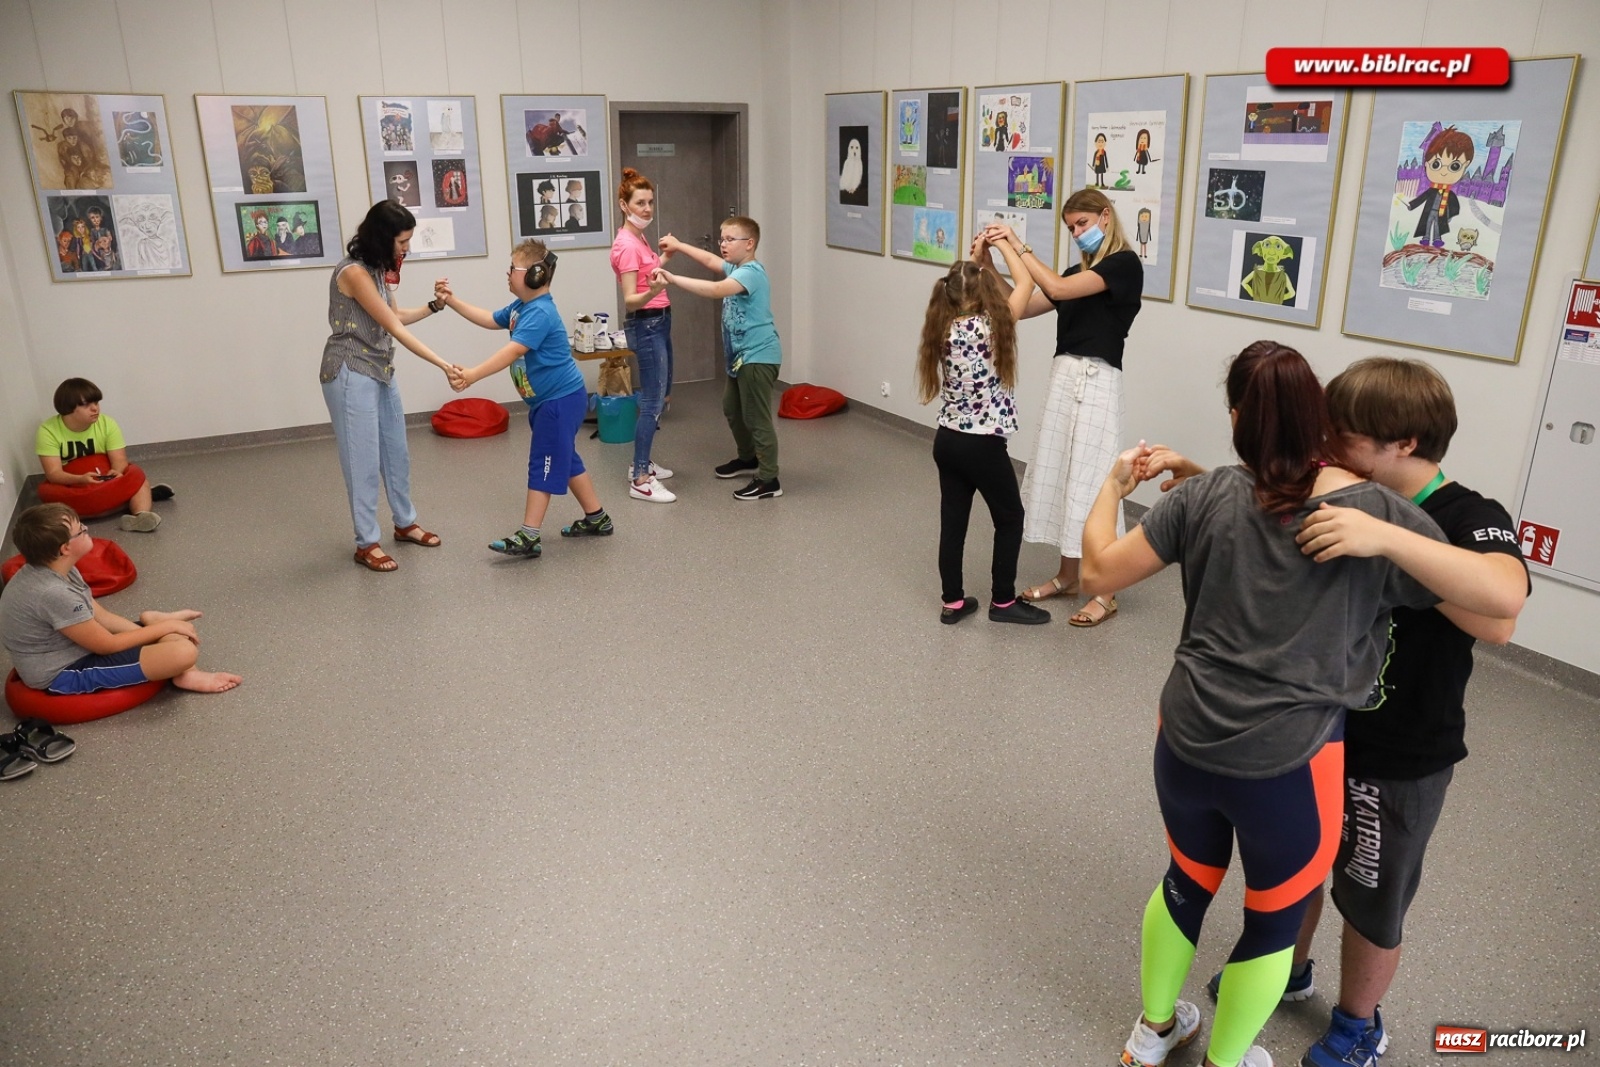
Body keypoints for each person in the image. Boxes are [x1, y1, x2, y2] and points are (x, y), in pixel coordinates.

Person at [1078, 342, 1517, 1067]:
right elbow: (1492, 610)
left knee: (1186, 880)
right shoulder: (1369, 511)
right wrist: (1380, 529)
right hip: (1289, 761)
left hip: (1185, 738)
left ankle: (1152, 1032)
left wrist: (1116, 480)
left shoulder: (1210, 494)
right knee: (1274, 916)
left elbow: (1100, 566)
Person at [1275, 358, 1524, 1067]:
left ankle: (1358, 1023)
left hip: (1402, 753)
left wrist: (1388, 539)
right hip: (1320, 732)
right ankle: (1287, 974)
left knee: (1370, 898)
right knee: (1299, 867)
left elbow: (1501, 612)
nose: (1328, 447)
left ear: (1404, 442)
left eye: (1344, 436)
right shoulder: (1347, 485)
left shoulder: (1470, 516)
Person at [979, 187, 1142, 626]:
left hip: (1099, 381)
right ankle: (1069, 576)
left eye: (1082, 224)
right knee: (1064, 474)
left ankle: (1105, 591)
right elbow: (1024, 304)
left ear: (1105, 217)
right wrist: (992, 267)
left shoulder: (1124, 265)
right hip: (1064, 378)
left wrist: (1018, 244)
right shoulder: (1075, 270)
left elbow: (1055, 286)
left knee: (1093, 482)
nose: (1076, 233)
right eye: (1071, 228)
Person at [434, 240, 614, 558]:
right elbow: (490, 318)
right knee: (566, 459)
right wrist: (452, 301)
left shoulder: (540, 313)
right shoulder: (521, 308)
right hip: (551, 401)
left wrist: (473, 375)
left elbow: (513, 351)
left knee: (543, 461)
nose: (507, 273)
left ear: (534, 275)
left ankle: (529, 535)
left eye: (513, 268)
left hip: (559, 401)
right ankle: (597, 518)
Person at [910, 232, 1047, 625]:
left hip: (947, 440)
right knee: (1010, 518)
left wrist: (975, 260)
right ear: (983, 291)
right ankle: (1003, 602)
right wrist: (1001, 245)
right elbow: (1027, 283)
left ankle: (952, 602)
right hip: (982, 445)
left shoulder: (941, 328)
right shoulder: (991, 325)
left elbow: (979, 285)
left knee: (953, 522)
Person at [318, 200, 461, 572]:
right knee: (361, 461)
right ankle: (366, 543)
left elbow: (395, 315)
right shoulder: (352, 273)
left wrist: (435, 305)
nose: (406, 249)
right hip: (350, 371)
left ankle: (405, 522)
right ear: (383, 239)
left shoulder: (377, 269)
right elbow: (394, 327)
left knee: (396, 452)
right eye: (402, 242)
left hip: (380, 368)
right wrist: (443, 364)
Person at [0, 503, 241, 696]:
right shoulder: (53, 593)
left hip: (78, 645)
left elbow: (100, 616)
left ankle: (179, 662)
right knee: (183, 652)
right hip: (65, 670)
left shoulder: (59, 567)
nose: (86, 528)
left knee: (179, 633)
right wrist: (165, 627)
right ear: (65, 548)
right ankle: (182, 665)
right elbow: (106, 645)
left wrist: (160, 630)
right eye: (81, 530)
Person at [657, 216, 784, 500]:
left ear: (749, 244)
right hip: (740, 358)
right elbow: (710, 261)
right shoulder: (736, 267)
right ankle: (749, 458)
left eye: (730, 240)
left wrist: (673, 279)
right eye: (722, 239)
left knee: (756, 417)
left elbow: (716, 290)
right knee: (732, 408)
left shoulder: (751, 272)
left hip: (758, 356)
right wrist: (679, 245)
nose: (723, 245)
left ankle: (769, 479)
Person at [609, 168, 676, 502]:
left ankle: (643, 459)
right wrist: (654, 292)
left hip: (660, 320)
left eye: (650, 202)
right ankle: (640, 477)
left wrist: (666, 257)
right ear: (624, 204)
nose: (648, 209)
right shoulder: (627, 245)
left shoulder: (639, 239)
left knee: (661, 395)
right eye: (640, 202)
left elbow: (648, 275)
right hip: (646, 322)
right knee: (651, 401)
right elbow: (632, 299)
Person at [37, 377, 174, 532]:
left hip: (105, 480)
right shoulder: (48, 430)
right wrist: (80, 479)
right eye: (86, 405)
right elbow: (54, 474)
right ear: (68, 408)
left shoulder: (107, 423)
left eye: (96, 403)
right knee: (47, 493)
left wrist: (115, 472)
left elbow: (120, 460)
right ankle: (135, 499)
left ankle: (140, 515)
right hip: (74, 485)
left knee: (136, 475)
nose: (95, 409)